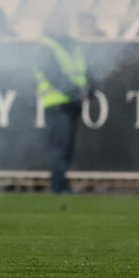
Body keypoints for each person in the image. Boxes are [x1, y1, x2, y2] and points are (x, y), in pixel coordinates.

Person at [33, 13, 90, 194]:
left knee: (67, 147)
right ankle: (59, 185)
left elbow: (85, 70)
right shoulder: (46, 46)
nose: (63, 26)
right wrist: (77, 92)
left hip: (73, 102)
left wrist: (89, 87)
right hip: (57, 103)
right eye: (59, 23)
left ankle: (62, 183)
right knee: (59, 147)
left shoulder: (72, 45)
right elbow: (53, 74)